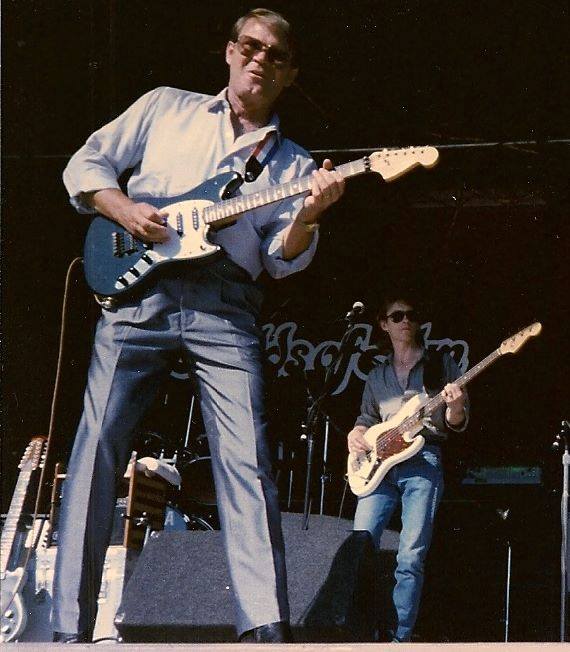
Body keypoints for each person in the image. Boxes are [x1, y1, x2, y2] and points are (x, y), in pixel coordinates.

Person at [52, 8, 345, 644]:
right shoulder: (166, 107)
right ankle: (68, 629)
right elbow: (86, 164)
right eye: (250, 45)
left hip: (225, 301)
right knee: (97, 443)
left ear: (291, 74)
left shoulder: (292, 164)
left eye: (276, 54)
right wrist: (127, 211)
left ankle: (264, 625)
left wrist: (311, 215)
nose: (260, 58)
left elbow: (278, 257)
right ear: (229, 52)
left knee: (246, 457)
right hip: (140, 293)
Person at [346, 295, 469, 642]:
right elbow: (366, 420)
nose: (405, 321)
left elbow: (456, 422)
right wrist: (355, 436)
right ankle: (357, 633)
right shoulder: (377, 375)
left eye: (411, 315)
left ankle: (399, 640)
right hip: (379, 467)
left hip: (423, 461)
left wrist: (456, 405)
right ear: (383, 325)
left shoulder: (440, 366)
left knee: (410, 555)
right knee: (360, 547)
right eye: (396, 316)